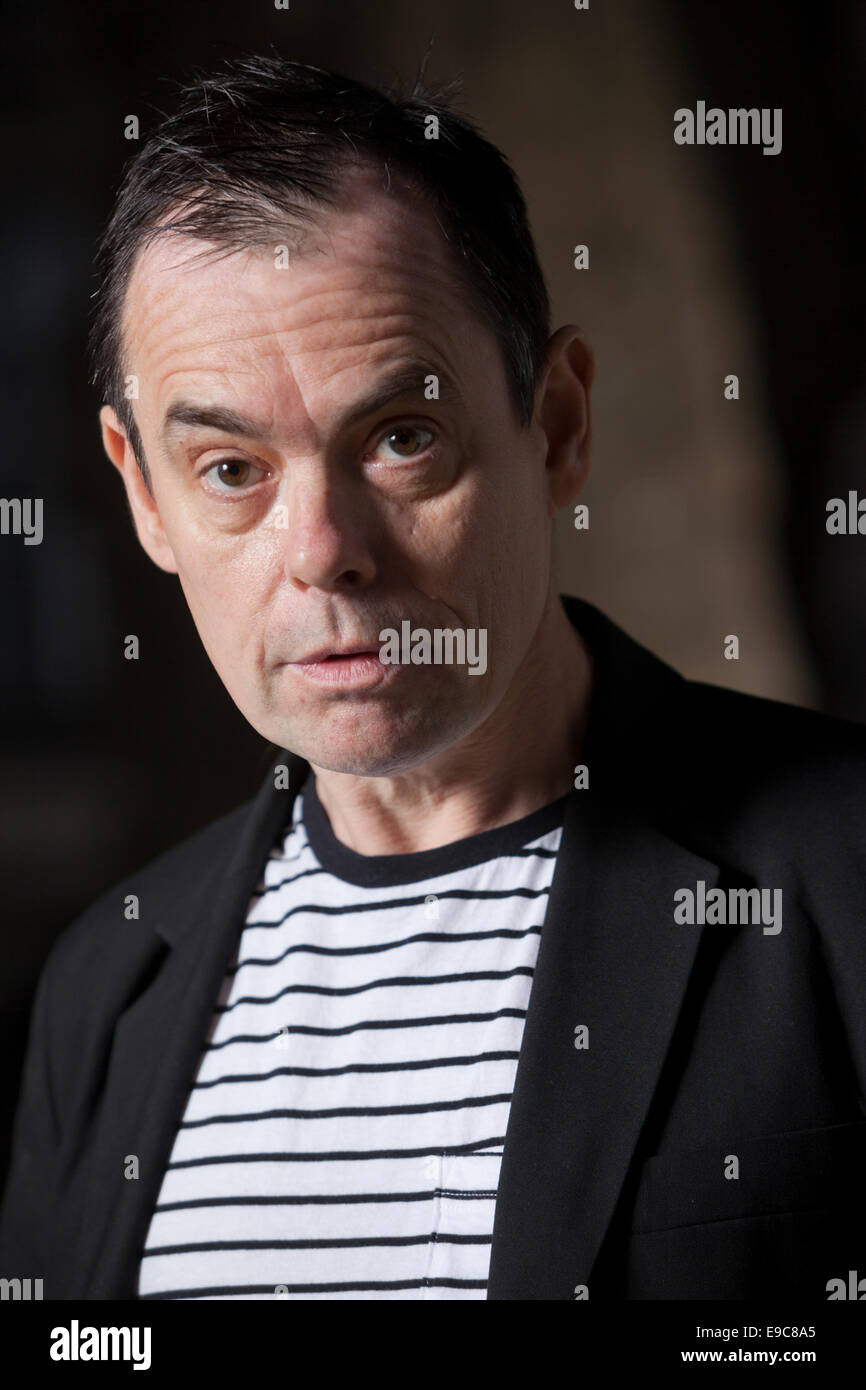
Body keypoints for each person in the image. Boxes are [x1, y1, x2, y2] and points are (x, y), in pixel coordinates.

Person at [1, 54, 864, 1302]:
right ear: (142, 493)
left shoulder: (838, 872)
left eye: (401, 439)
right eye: (231, 470)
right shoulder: (102, 990)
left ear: (557, 425)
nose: (324, 558)